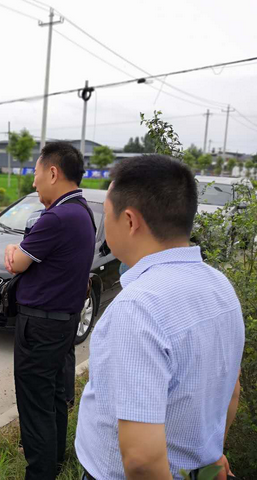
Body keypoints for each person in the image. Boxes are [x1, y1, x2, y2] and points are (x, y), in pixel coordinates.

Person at [75, 155, 244, 480]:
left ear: (129, 221)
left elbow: (141, 459)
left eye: (106, 213)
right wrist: (208, 461)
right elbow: (231, 392)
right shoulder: (221, 287)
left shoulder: (137, 308)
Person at [4, 142, 95, 479]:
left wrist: (14, 248)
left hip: (40, 326)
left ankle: (40, 472)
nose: (34, 182)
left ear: (53, 173)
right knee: (54, 396)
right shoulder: (82, 211)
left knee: (35, 404)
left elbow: (17, 263)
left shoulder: (56, 217)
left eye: (36, 173)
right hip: (63, 322)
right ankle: (54, 460)